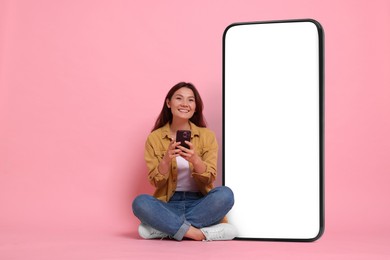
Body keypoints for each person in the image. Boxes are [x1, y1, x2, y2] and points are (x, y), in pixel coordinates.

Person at [132, 82, 237, 241]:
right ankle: (198, 233)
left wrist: (195, 159)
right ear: (169, 103)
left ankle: (167, 228)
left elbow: (210, 177)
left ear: (195, 106)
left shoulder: (206, 136)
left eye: (190, 100)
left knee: (225, 194)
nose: (184, 104)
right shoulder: (155, 138)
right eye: (179, 98)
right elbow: (156, 182)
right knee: (140, 203)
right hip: (168, 204)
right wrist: (166, 160)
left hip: (200, 203)